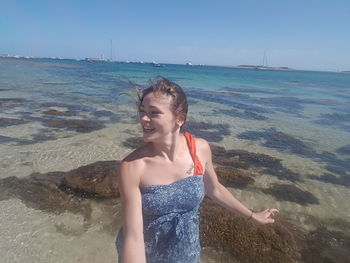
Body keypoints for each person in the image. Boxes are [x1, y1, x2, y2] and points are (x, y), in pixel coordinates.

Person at [116, 77, 278, 263]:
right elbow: (133, 237)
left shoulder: (199, 150)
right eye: (142, 111)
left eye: (154, 112)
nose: (144, 119)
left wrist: (252, 216)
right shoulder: (133, 167)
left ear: (180, 119)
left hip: (187, 251)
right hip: (148, 255)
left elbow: (214, 189)